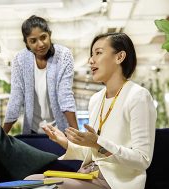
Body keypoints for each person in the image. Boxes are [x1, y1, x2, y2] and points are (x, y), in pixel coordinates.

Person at [26, 32, 157, 189]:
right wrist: (66, 143)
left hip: (115, 182)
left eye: (99, 53)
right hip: (88, 175)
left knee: (50, 186)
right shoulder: (96, 99)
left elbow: (142, 159)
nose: (91, 60)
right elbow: (94, 151)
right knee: (31, 180)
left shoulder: (138, 96)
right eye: (91, 54)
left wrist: (98, 144)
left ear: (119, 57)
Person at [3, 15, 78, 134]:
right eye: (33, 41)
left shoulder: (64, 55)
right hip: (32, 131)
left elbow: (65, 95)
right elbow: (16, 98)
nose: (40, 44)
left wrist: (76, 133)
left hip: (60, 131)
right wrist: (2, 135)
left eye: (43, 37)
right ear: (27, 43)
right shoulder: (20, 59)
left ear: (50, 35)